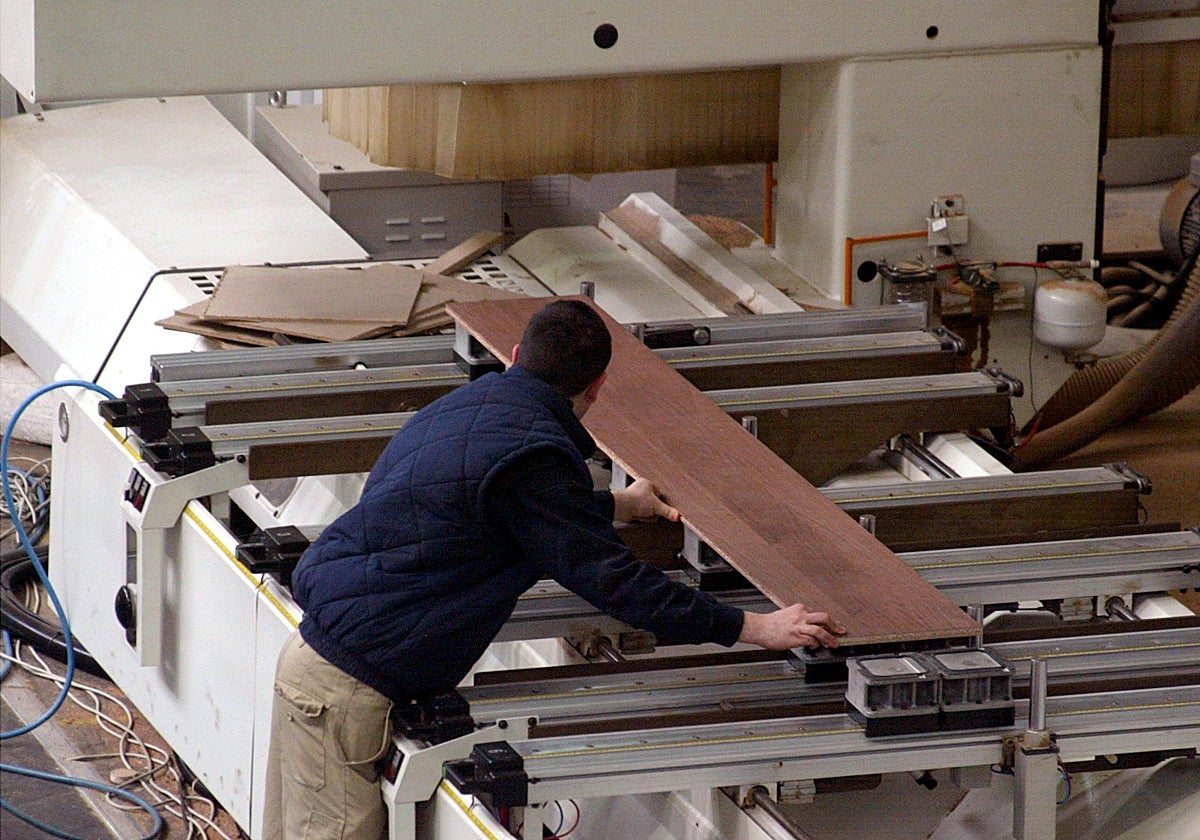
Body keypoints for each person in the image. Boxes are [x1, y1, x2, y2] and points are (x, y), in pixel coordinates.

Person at [263, 298, 846, 839]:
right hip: (344, 693)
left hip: (320, 665)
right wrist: (754, 627)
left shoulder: (465, 407)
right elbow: (615, 581)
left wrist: (618, 505)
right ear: (598, 387)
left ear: (515, 355)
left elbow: (485, 507)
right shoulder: (536, 454)